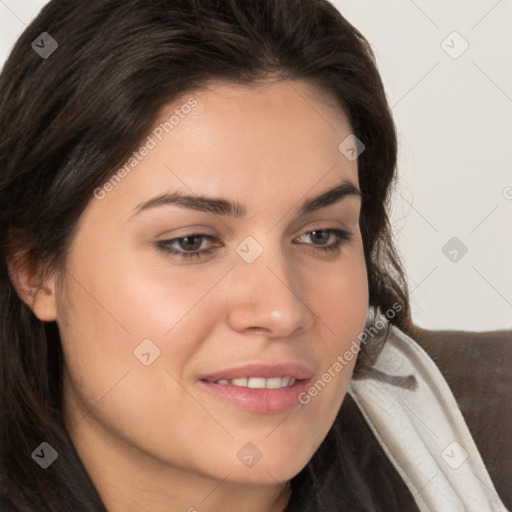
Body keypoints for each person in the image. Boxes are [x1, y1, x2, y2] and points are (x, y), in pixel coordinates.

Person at [0, 1, 508, 511]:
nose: (281, 311)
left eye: (321, 235)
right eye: (190, 242)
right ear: (35, 268)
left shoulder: (486, 436)